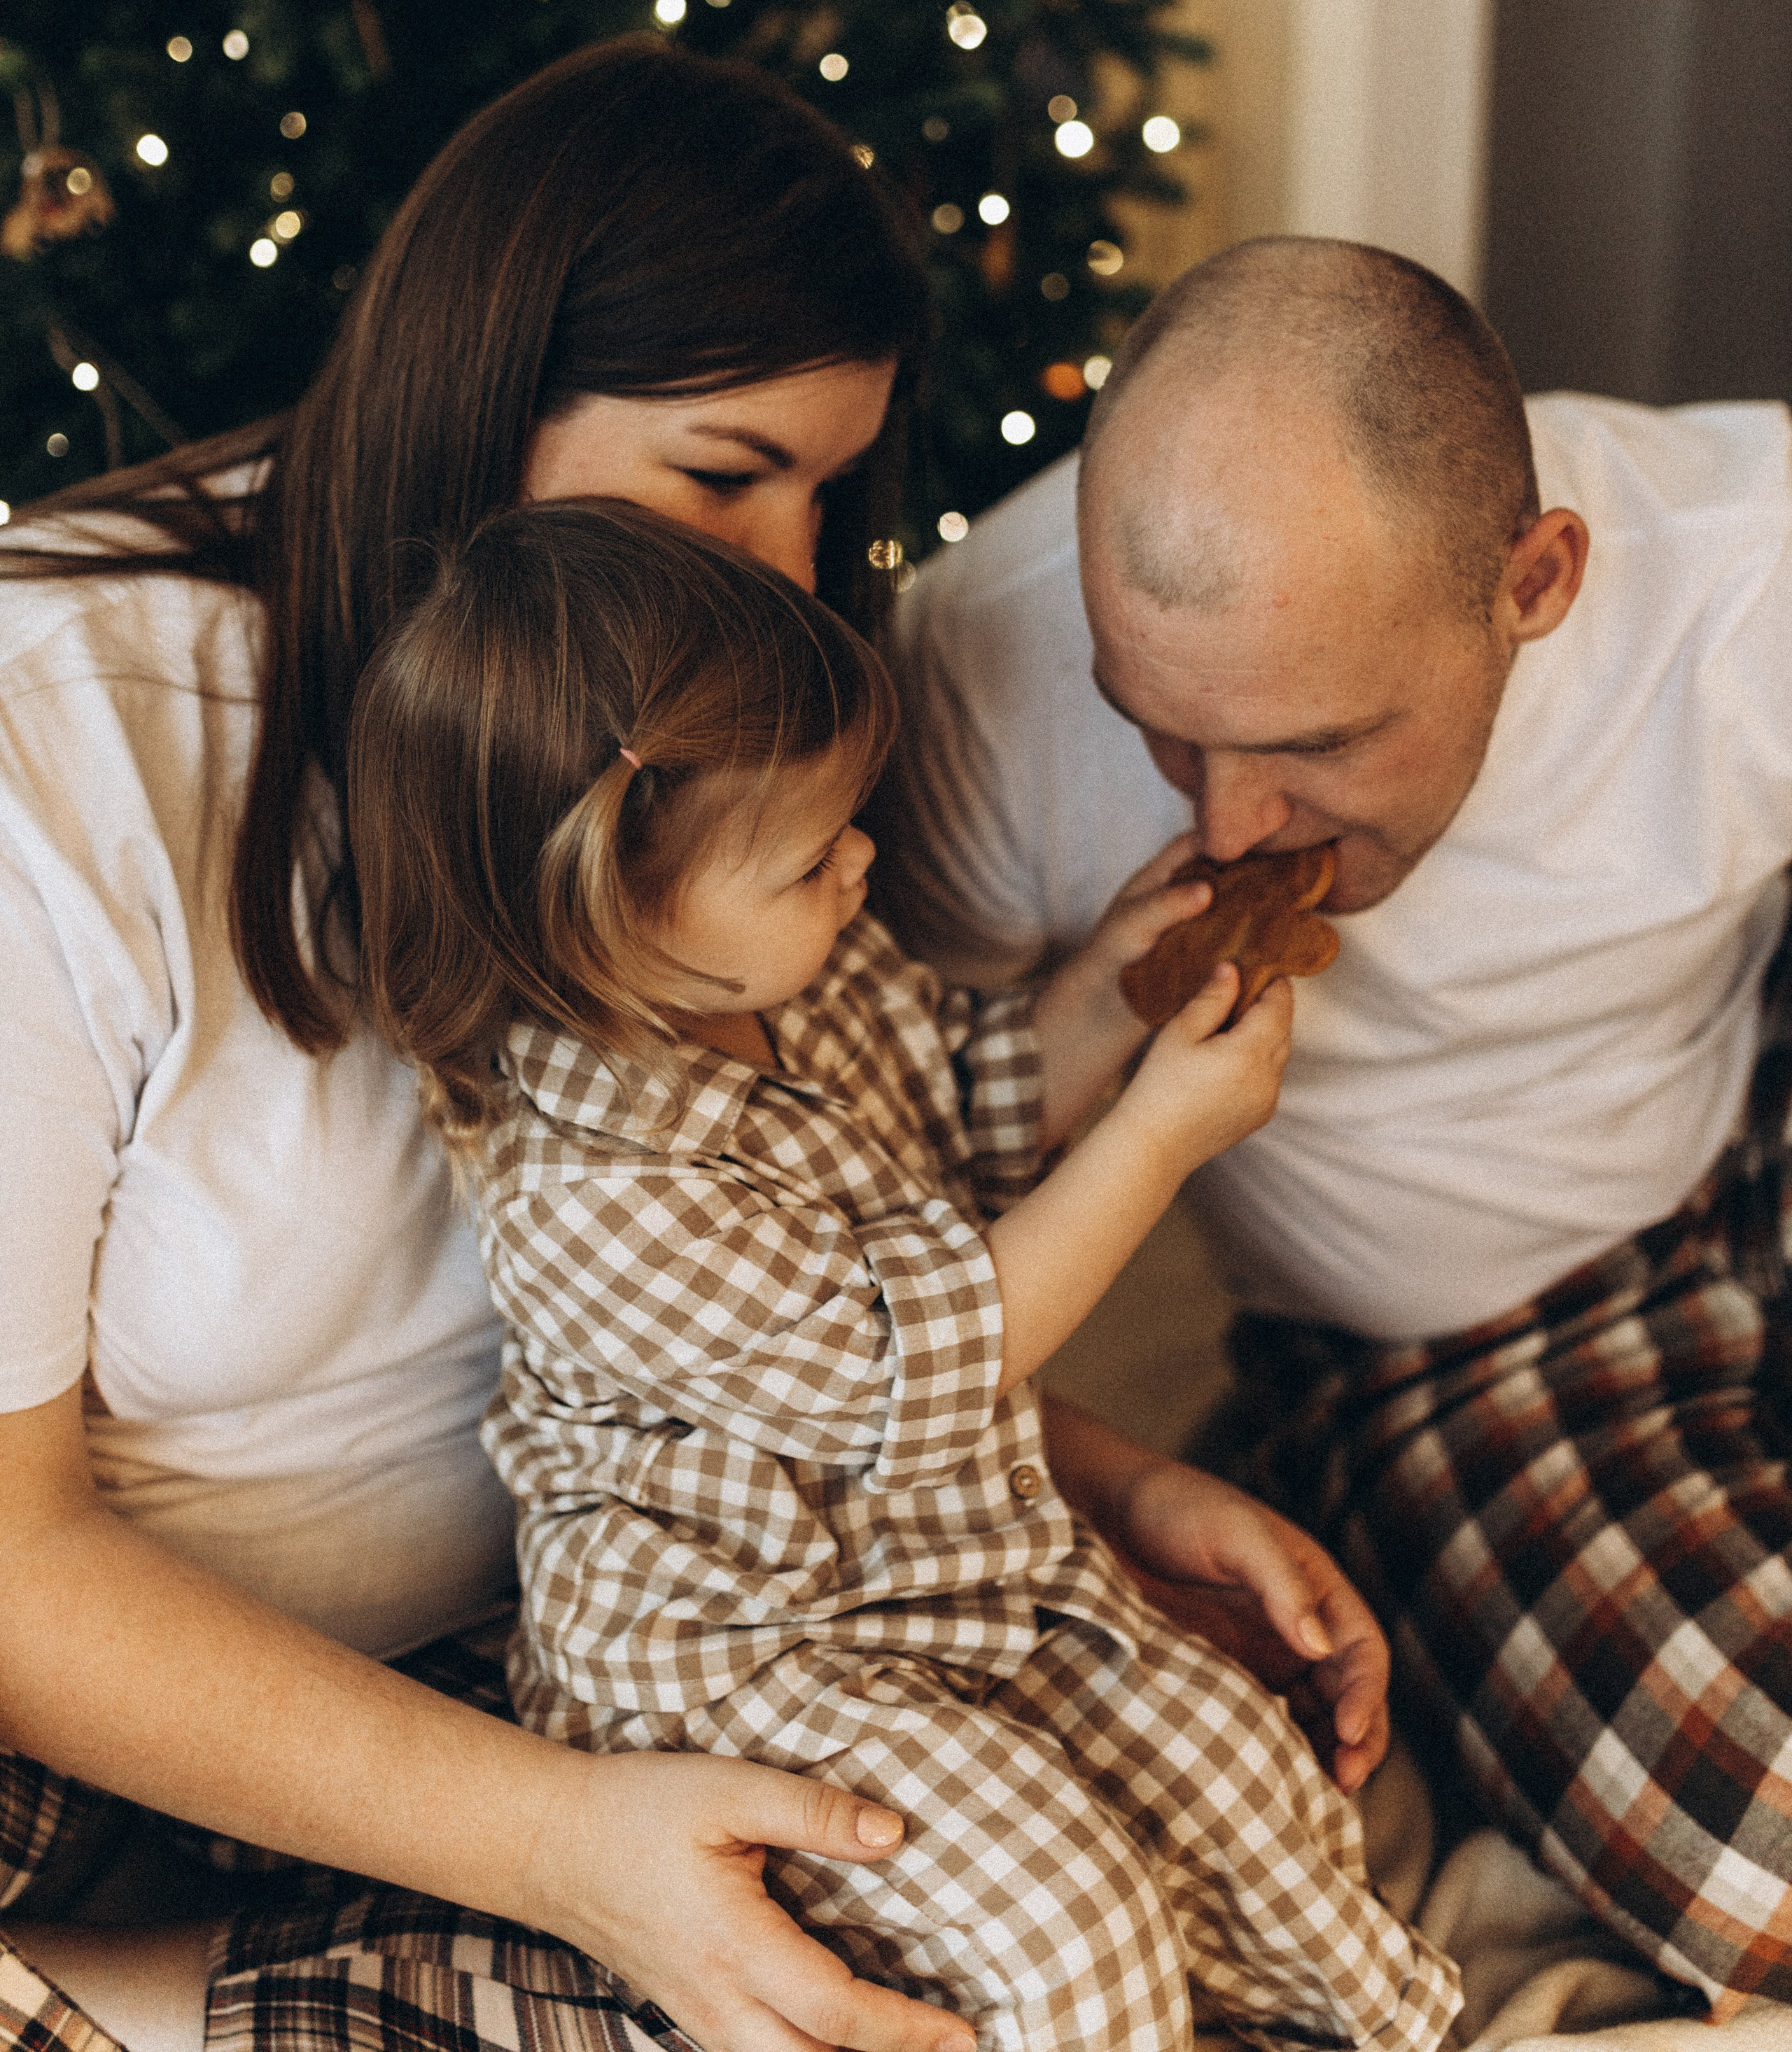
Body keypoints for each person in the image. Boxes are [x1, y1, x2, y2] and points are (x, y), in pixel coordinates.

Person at [0, 58, 1390, 2052]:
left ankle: (241, 1976)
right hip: (83, 1726)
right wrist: (561, 1850)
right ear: (484, 405)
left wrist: (1103, 1484)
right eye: (723, 475)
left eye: (828, 497)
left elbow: (761, 1285)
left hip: (518, 1671)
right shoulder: (64, 748)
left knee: (1011, 1948)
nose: (788, 575)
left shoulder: (708, 823)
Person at [346, 496, 1464, 2052]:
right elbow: (921, 1370)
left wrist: (1108, 990)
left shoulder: (799, 969)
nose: (862, 859)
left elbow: (967, 1102)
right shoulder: (587, 1193)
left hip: (963, 1566)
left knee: (1236, 1770)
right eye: (812, 855)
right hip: (753, 1655)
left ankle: (1373, 2025)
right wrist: (1159, 1137)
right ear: (610, 918)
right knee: (1062, 1920)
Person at [878, 233, 1792, 2019]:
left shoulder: (1741, 569)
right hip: (1467, 1354)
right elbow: (883, 1207)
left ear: (1533, 580)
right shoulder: (976, 673)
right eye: (1161, 736)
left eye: (1314, 744)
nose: (1227, 827)